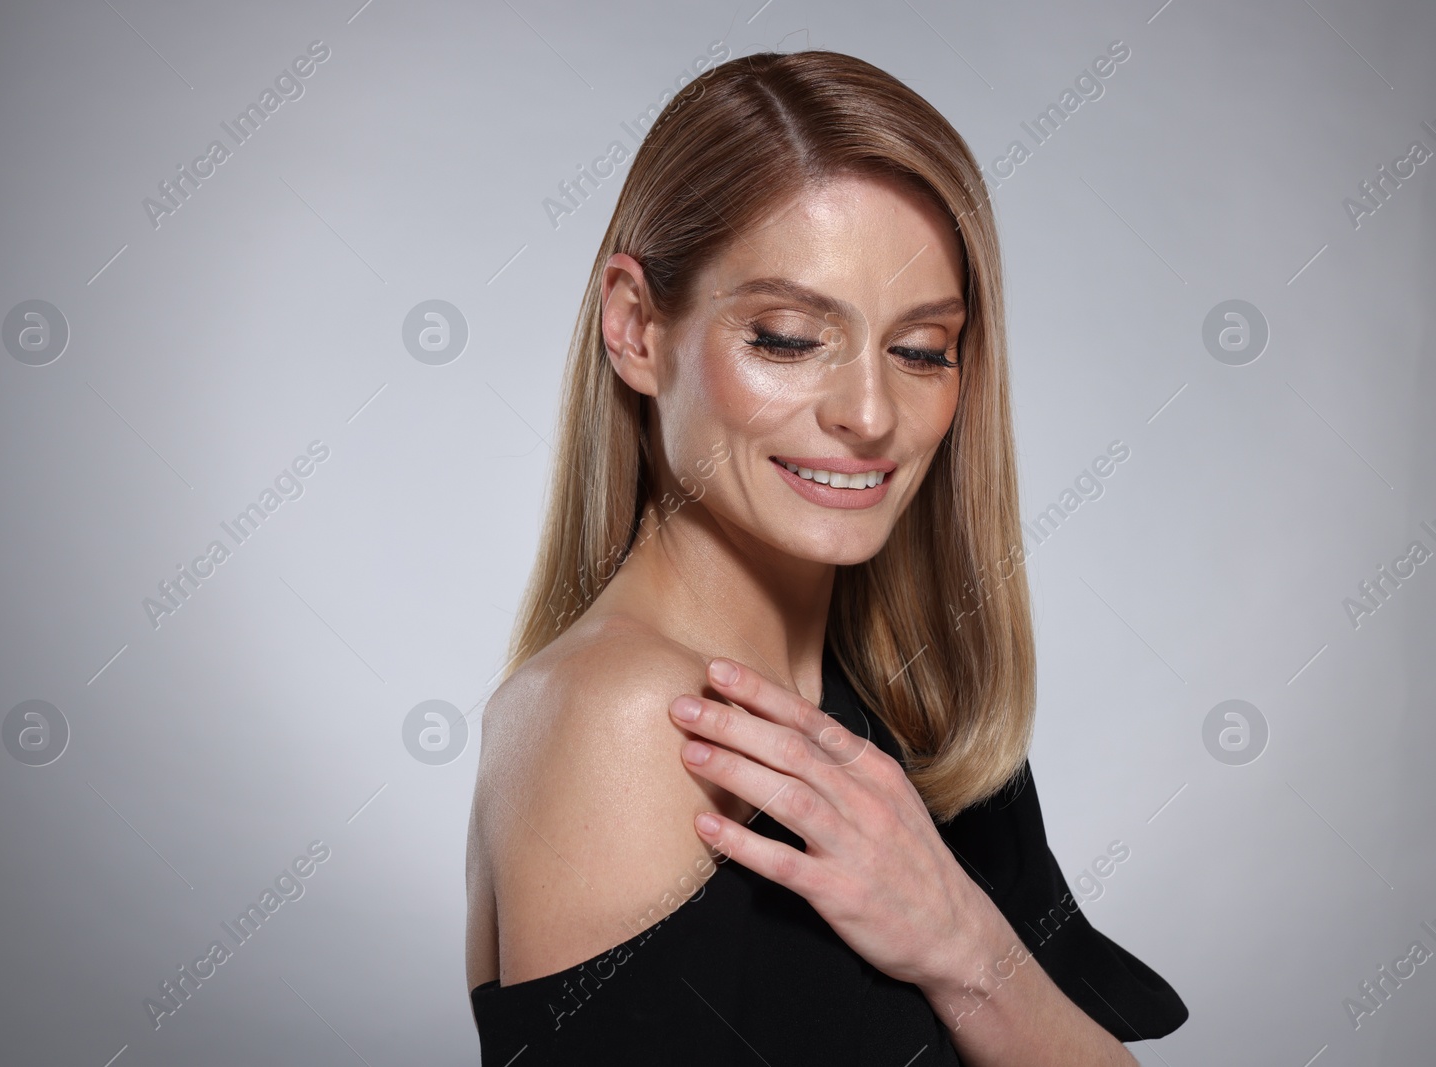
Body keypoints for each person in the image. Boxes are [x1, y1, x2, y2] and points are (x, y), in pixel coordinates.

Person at [465, 48, 1187, 1065]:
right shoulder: (627, 719)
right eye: (789, 336)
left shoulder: (917, 714)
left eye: (921, 348)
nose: (869, 414)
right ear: (634, 328)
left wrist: (968, 949)